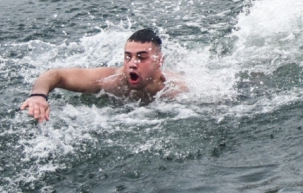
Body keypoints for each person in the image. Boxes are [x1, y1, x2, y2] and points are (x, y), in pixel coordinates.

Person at [19, 29, 183, 123]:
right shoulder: (111, 80)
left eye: (141, 58)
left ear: (159, 61)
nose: (132, 63)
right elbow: (54, 74)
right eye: (128, 56)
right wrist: (38, 95)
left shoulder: (176, 89)